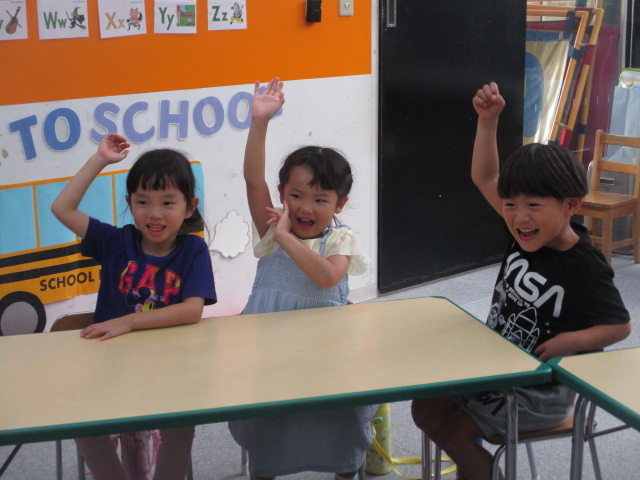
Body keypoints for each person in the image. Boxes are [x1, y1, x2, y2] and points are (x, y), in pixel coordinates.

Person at [411, 82, 631, 480]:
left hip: (541, 389)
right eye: (510, 204)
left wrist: (570, 342)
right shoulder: (525, 230)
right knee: (425, 408)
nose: (518, 216)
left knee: (457, 432)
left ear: (570, 205)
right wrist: (488, 121)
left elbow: (620, 326)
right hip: (499, 367)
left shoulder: (585, 265)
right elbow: (485, 176)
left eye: (533, 205)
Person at [227, 78, 375, 480]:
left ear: (340, 204)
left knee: (341, 417)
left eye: (320, 199)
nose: (306, 208)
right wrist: (259, 123)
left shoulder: (339, 239)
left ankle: (347, 469)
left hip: (327, 353)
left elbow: (328, 277)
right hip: (270, 352)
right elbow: (252, 180)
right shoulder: (273, 227)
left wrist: (285, 238)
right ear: (282, 193)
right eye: (296, 196)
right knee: (267, 418)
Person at [51, 134, 217, 480]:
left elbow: (192, 310)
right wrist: (100, 159)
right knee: (82, 423)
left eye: (168, 203)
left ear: (189, 207)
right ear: (129, 203)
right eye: (143, 202)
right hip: (112, 370)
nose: (154, 213)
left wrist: (129, 321)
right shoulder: (116, 242)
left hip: (171, 370)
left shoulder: (193, 250)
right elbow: (62, 208)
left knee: (182, 425)